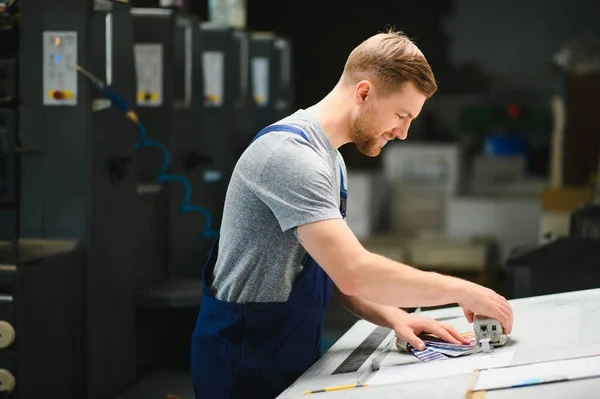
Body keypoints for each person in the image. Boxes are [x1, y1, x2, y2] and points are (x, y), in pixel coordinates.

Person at [191, 28, 513, 399]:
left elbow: (333, 270)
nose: (404, 133)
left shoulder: (332, 161)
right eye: (400, 115)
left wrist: (396, 316)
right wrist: (462, 289)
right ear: (364, 92)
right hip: (242, 359)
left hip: (284, 351)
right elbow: (354, 272)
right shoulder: (290, 157)